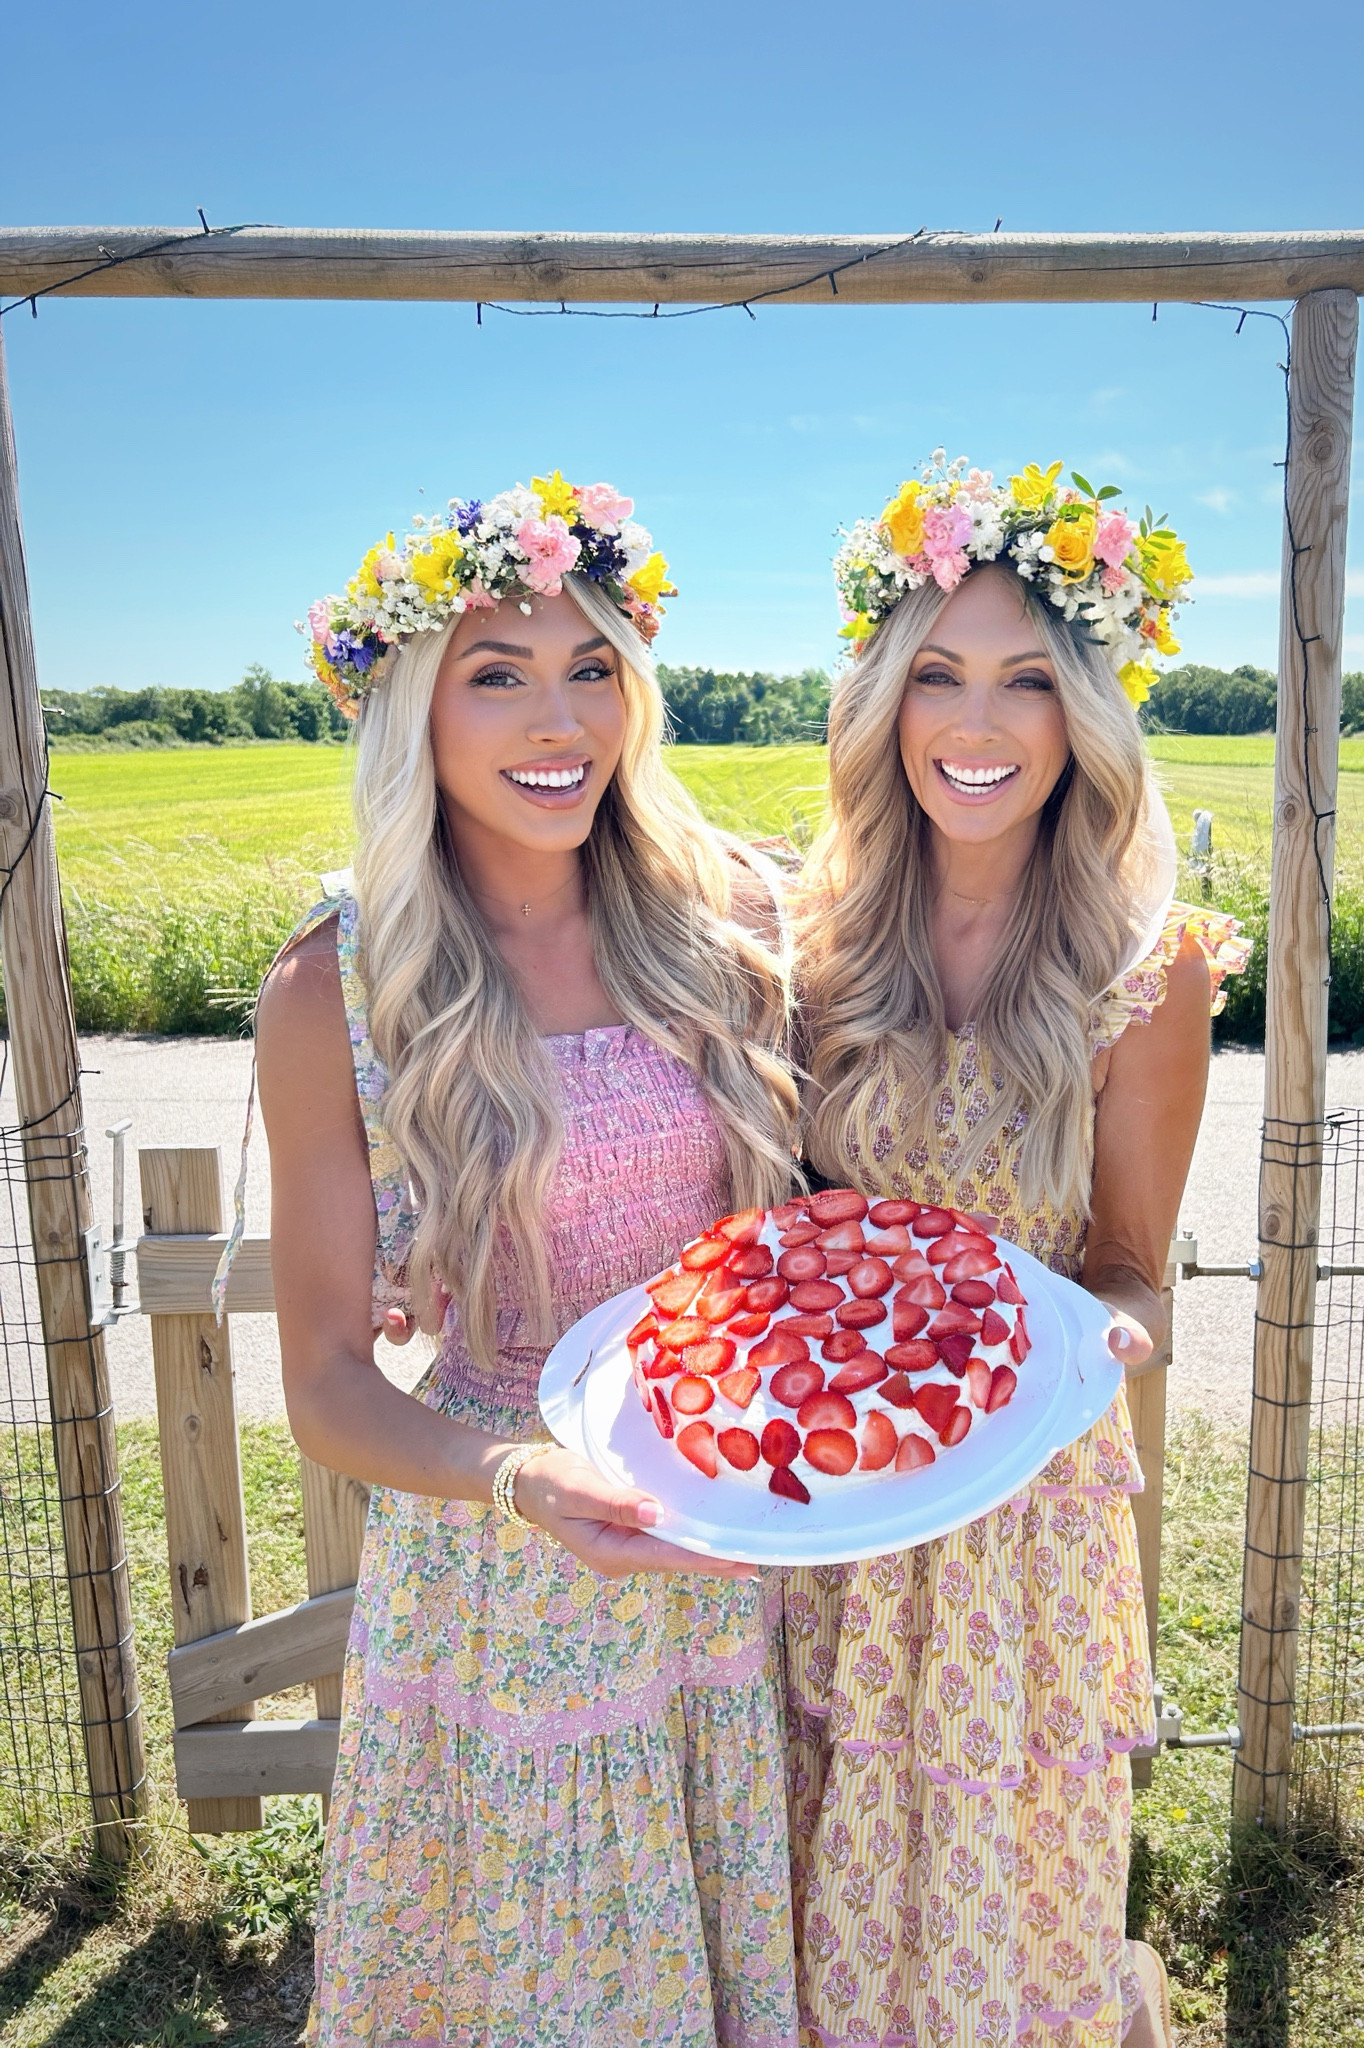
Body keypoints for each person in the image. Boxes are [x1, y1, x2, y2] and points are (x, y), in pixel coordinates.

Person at [253, 479, 800, 2047]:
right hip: (504, 1579)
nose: (557, 716)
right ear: (411, 714)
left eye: (590, 666)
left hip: (711, 1544)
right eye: (496, 673)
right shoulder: (339, 982)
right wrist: (521, 1479)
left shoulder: (723, 922)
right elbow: (326, 1389)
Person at [786, 456, 1249, 2047]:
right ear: (884, 703)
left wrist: (1094, 1334)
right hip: (831, 1489)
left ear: (1085, 720)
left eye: (1027, 684)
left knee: (1005, 1900)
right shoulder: (814, 940)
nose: (974, 729)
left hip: (1015, 1507)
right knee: (817, 1864)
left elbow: (1128, 1263)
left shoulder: (1149, 970)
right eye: (936, 676)